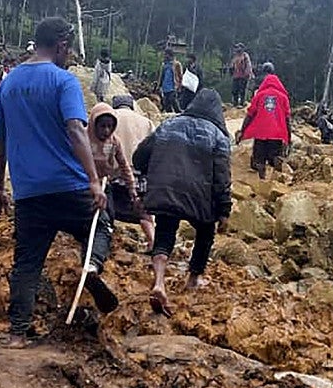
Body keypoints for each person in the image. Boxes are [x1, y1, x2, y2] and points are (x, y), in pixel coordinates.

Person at [0, 17, 118, 348]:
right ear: (61, 45)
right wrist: (92, 180)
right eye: (69, 48)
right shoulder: (64, 81)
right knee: (100, 225)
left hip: (29, 192)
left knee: (27, 263)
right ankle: (90, 265)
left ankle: (17, 334)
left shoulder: (9, 83)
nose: (70, 54)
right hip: (69, 185)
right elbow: (76, 129)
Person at [133, 89, 232, 318]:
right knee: (205, 232)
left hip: (166, 190)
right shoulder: (218, 136)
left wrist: (148, 176)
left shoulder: (169, 125)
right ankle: (194, 277)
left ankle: (159, 281)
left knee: (165, 232)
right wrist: (224, 210)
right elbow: (222, 177)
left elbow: (139, 156)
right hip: (199, 197)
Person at [110, 95, 156, 250]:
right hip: (138, 175)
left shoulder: (110, 117)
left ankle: (105, 241)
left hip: (114, 174)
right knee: (144, 214)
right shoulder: (146, 122)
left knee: (106, 209)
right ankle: (153, 242)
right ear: (131, 106)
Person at [239, 63, 292, 180]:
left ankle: (262, 180)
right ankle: (276, 182)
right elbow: (288, 118)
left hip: (260, 133)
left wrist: (242, 131)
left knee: (259, 159)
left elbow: (250, 115)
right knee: (275, 157)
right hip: (277, 134)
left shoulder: (259, 95)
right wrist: (289, 137)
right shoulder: (283, 97)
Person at [157, 48, 182, 113]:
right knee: (166, 102)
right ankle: (169, 113)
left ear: (170, 55)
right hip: (165, 87)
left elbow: (180, 76)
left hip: (173, 86)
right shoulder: (164, 65)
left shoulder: (176, 64)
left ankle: (178, 112)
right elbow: (161, 76)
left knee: (173, 100)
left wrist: (179, 86)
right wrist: (159, 85)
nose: (165, 56)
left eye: (166, 54)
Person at [230, 43, 253, 107]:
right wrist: (231, 70)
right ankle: (235, 102)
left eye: (238, 47)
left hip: (243, 76)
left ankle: (241, 103)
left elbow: (248, 65)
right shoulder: (235, 56)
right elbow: (232, 65)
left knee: (242, 90)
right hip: (236, 76)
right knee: (234, 90)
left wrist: (248, 74)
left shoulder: (245, 56)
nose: (237, 49)